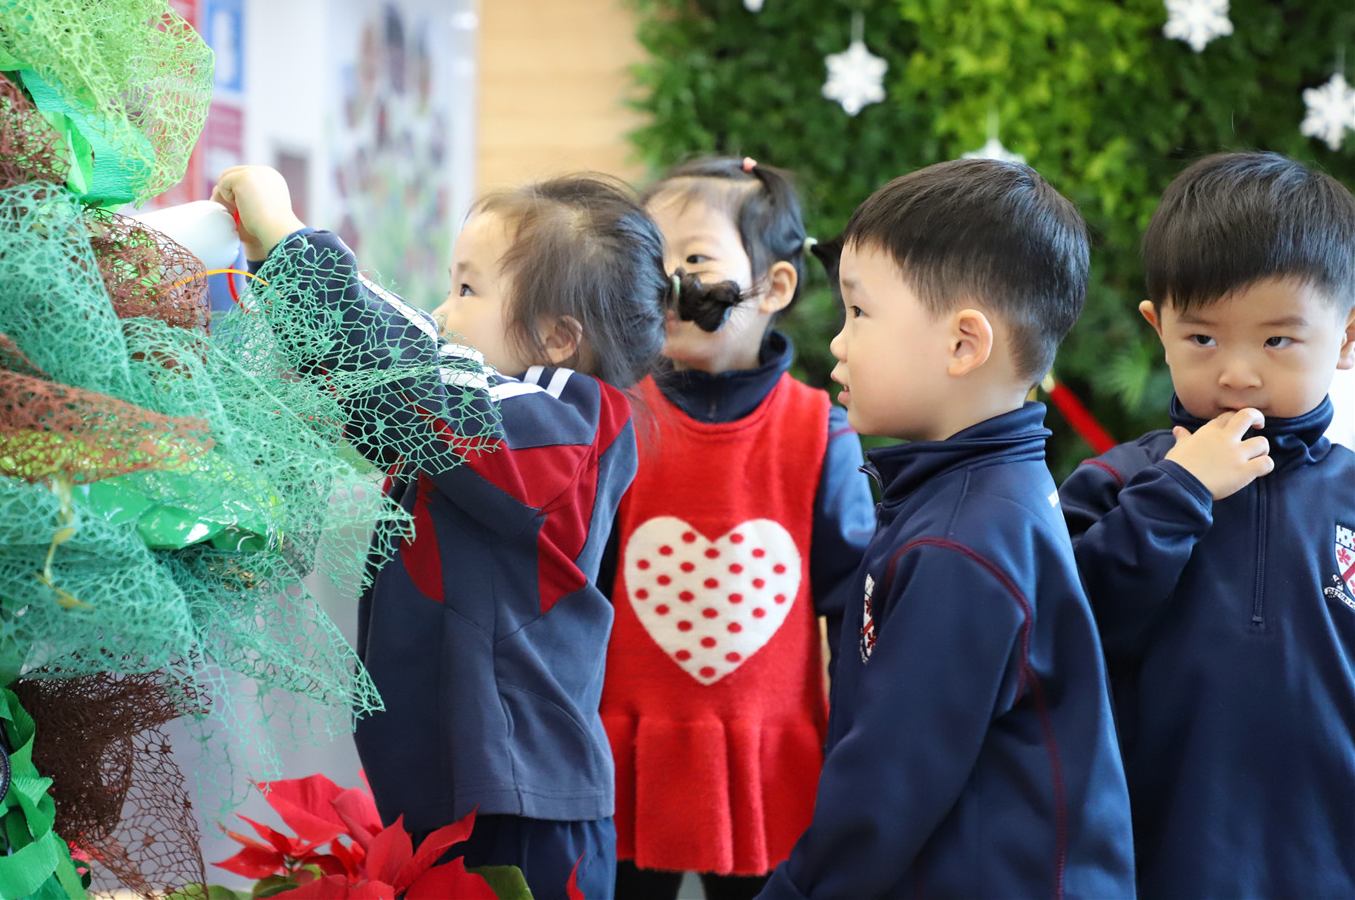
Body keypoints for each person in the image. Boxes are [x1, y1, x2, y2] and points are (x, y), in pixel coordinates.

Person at [213, 165, 724, 900]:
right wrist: (271, 267)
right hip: (454, 790)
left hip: (523, 804)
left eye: (467, 290)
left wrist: (294, 243)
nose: (442, 311)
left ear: (556, 337)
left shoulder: (566, 426)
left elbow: (410, 373)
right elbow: (368, 387)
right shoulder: (473, 429)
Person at [759, 159, 1135, 900]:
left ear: (964, 343)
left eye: (860, 314)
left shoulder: (962, 545)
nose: (838, 342)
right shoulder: (977, 501)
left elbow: (887, 790)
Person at [1060, 152, 1355, 899]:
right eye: (1203, 339)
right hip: (1150, 864)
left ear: (1347, 337)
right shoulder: (1117, 484)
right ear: (1158, 328)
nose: (1237, 373)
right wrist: (1179, 491)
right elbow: (1066, 636)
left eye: (1277, 340)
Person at [596, 157, 874, 900]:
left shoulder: (822, 434)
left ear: (776, 286)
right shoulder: (613, 419)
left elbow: (853, 606)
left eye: (693, 260)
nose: (668, 284)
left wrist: (858, 738)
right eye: (651, 263)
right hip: (625, 746)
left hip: (768, 753)